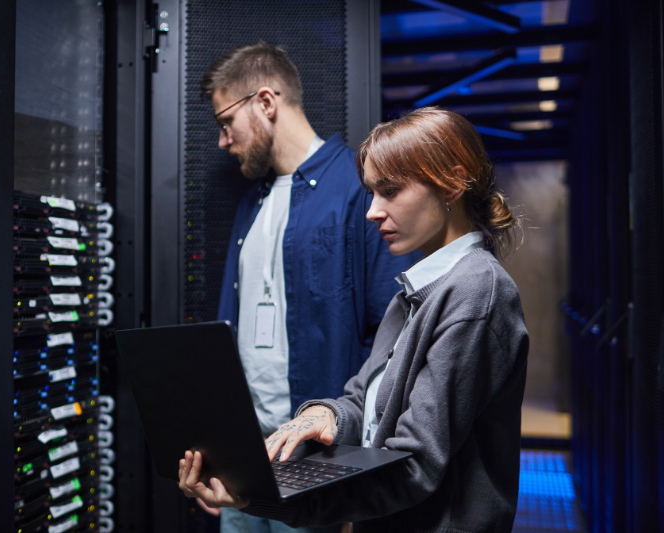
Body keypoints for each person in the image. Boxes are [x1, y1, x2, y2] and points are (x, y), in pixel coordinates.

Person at [178, 107, 530, 533]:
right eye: (372, 193)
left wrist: (265, 496)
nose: (372, 211)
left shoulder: (477, 291)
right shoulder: (415, 291)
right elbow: (365, 400)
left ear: (452, 184)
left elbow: (414, 465)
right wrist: (325, 414)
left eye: (391, 191)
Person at [200, 42, 418, 533]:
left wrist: (358, 478)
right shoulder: (250, 204)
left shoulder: (360, 192)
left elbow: (394, 343)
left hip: (317, 462)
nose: (223, 140)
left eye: (226, 122)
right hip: (244, 456)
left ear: (265, 102)